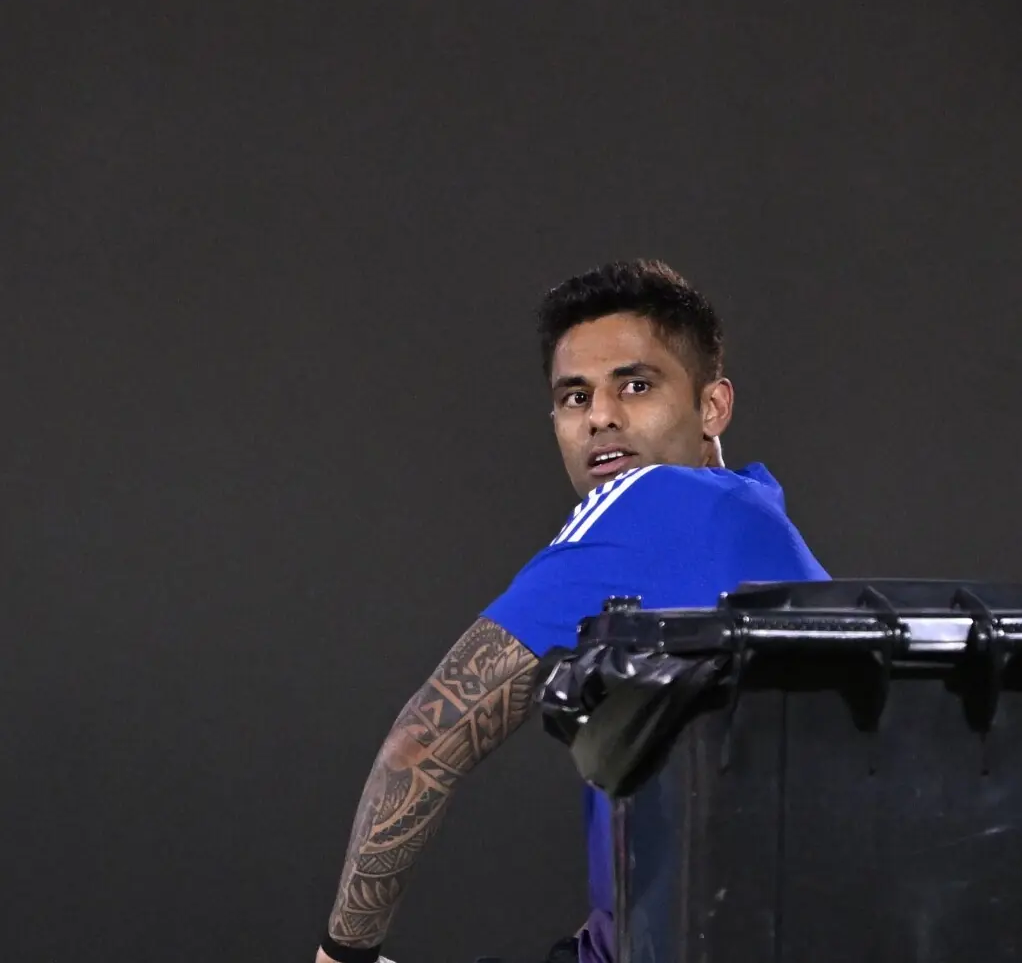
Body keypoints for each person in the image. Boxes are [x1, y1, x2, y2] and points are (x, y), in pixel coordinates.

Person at [313, 260, 829, 963]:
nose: (601, 417)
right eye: (574, 397)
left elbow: (421, 745)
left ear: (713, 407)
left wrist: (343, 954)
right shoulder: (754, 511)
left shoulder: (651, 501)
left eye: (636, 386)